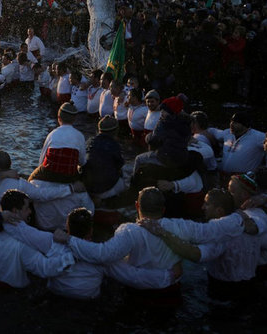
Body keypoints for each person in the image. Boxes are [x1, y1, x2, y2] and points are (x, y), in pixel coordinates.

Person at [141, 189, 263, 300]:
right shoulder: (251, 224)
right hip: (250, 284)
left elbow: (195, 255)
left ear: (219, 210)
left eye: (207, 204)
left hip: (223, 290)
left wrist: (162, 233)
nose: (202, 207)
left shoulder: (221, 238)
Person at [48, 208, 179, 300]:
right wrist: (169, 275)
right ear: (91, 230)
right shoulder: (101, 257)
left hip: (55, 296)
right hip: (87, 302)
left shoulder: (52, 246)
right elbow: (134, 277)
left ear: (67, 227)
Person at [0, 150, 75, 211]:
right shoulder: (20, 184)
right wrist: (70, 188)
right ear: (10, 165)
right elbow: (42, 195)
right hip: (13, 227)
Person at [31, 102, 85, 184]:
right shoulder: (80, 136)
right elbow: (82, 161)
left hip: (49, 175)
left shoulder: (52, 134)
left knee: (31, 178)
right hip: (69, 177)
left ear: (59, 117)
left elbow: (41, 160)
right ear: (74, 119)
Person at [81, 116, 125, 204]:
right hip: (106, 188)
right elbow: (119, 164)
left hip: (87, 188)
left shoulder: (89, 142)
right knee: (122, 175)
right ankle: (110, 202)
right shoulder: (114, 145)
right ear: (116, 131)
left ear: (99, 130)